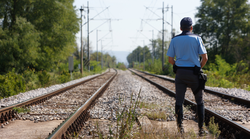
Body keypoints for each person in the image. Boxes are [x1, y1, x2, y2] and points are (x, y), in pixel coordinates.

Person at [166, 17, 208, 136]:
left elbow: (170, 59)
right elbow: (205, 58)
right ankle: (200, 129)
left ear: (180, 28)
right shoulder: (197, 38)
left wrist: (177, 65)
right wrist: (198, 68)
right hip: (194, 73)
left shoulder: (175, 40)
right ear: (191, 27)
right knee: (199, 101)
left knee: (179, 101)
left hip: (180, 74)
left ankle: (180, 129)